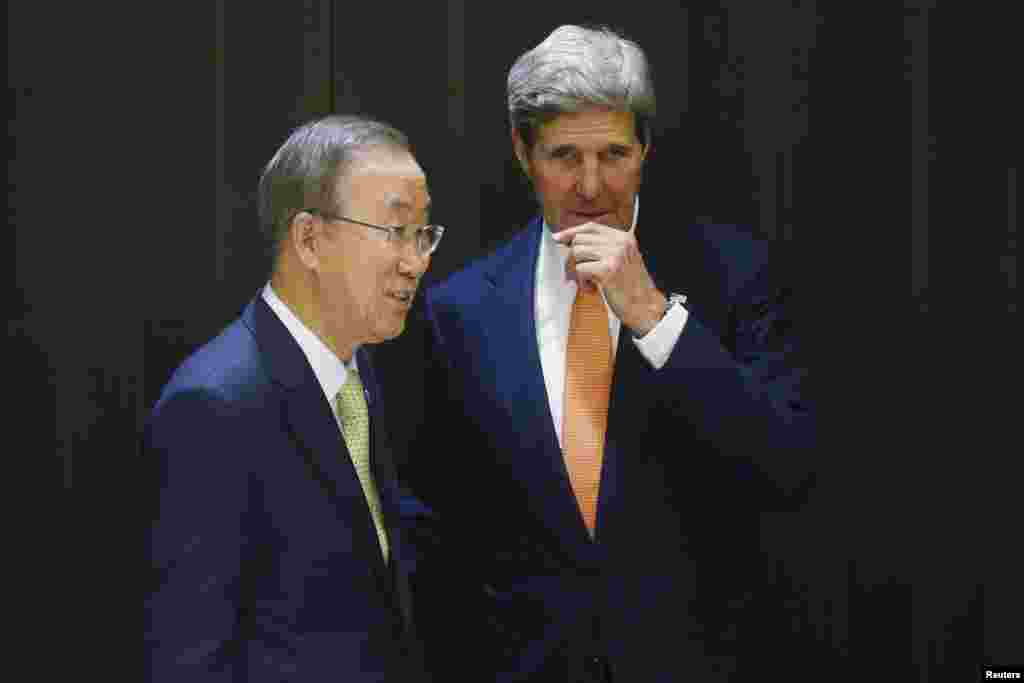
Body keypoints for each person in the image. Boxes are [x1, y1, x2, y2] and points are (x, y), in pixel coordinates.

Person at [403, 25, 817, 681]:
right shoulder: (459, 310)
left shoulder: (732, 273)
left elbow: (787, 466)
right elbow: (436, 530)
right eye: (565, 156)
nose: (592, 186)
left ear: (646, 149)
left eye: (614, 154)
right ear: (522, 151)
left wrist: (654, 317)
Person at [144, 114, 443, 681]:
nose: (417, 260)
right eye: (394, 230)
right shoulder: (215, 405)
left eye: (424, 233)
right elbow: (190, 658)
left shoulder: (357, 375)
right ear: (309, 239)